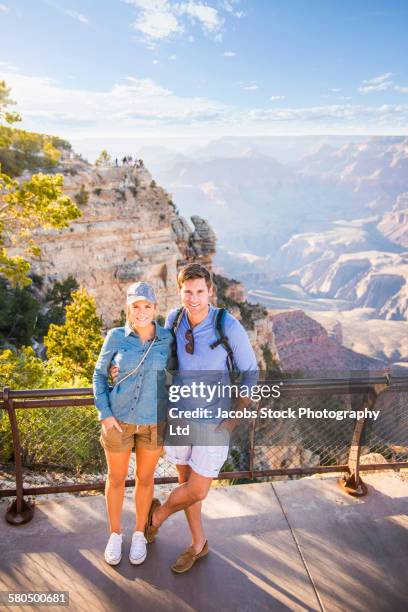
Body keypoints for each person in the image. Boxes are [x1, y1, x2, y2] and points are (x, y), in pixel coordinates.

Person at [148, 264, 257, 573]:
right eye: (187, 292)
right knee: (185, 483)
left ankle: (155, 518)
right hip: (180, 416)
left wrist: (234, 420)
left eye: (199, 291)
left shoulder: (228, 325)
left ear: (210, 291)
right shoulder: (175, 319)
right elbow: (159, 356)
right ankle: (198, 544)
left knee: (197, 490)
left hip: (214, 422)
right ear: (180, 291)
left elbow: (250, 373)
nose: (193, 298)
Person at [93, 281, 173, 566]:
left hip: (153, 423)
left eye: (147, 306)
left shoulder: (166, 339)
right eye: (136, 306)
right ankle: (115, 534)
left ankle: (139, 532)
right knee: (115, 479)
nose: (141, 312)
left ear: (155, 308)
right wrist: (105, 412)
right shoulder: (115, 337)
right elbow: (99, 376)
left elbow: (178, 375)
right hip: (119, 422)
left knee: (145, 479)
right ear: (128, 308)